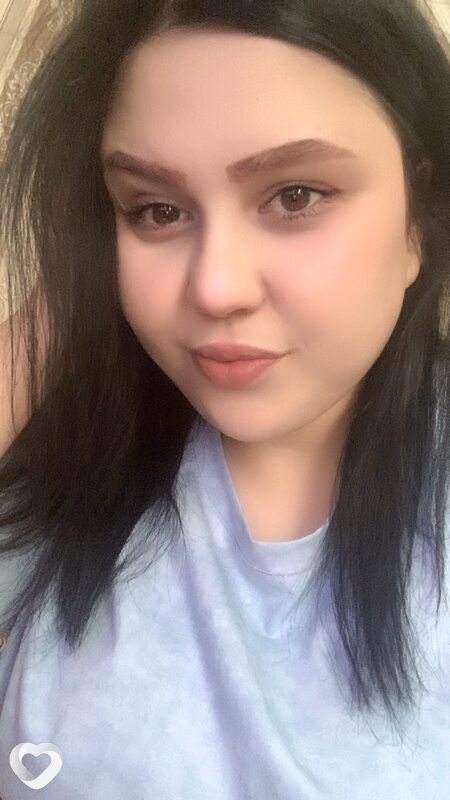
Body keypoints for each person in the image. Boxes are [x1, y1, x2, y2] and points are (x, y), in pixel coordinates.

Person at [0, 0, 448, 797]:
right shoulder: (56, 471)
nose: (214, 286)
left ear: (420, 219)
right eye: (156, 210)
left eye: (296, 196)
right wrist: (70, 297)